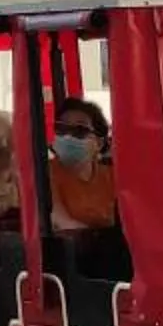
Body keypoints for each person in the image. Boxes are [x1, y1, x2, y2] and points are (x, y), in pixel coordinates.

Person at [46, 99, 118, 232]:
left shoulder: (113, 176)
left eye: (79, 130)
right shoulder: (45, 174)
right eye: (62, 129)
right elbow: (61, 221)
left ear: (99, 143)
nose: (68, 137)